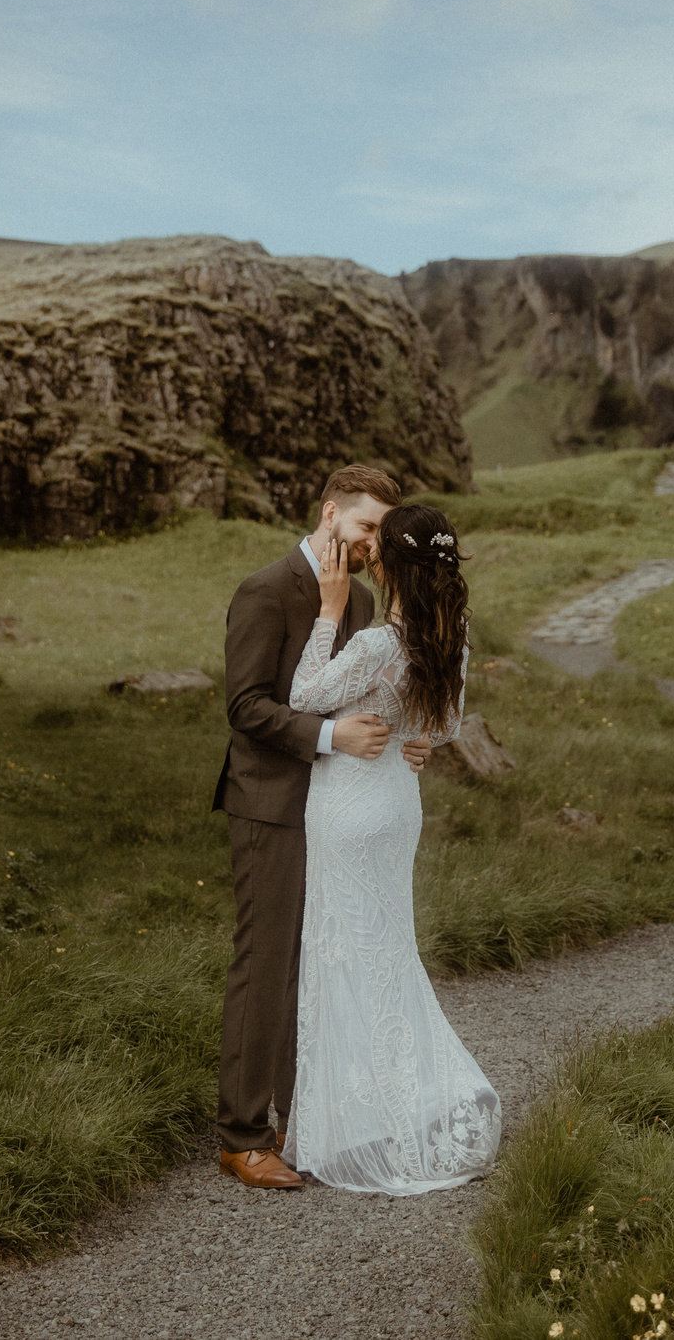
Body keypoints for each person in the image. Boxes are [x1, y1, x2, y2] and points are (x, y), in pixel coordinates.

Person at [214, 465, 431, 1189]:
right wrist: (335, 739)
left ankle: (305, 1119)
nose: (374, 541)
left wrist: (404, 737)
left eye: (381, 530)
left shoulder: (362, 599)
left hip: (337, 809)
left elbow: (358, 688)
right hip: (271, 803)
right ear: (330, 512)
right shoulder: (265, 589)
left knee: (319, 964)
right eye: (366, 526)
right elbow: (245, 707)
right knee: (267, 963)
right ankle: (243, 1135)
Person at [282, 501, 500, 1193]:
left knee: (344, 955)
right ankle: (379, 1104)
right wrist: (415, 736)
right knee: (386, 955)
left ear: (396, 568)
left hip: (348, 807)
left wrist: (329, 608)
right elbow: (448, 722)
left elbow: (303, 694)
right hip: (398, 807)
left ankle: (347, 1123)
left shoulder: (379, 645)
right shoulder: (450, 636)